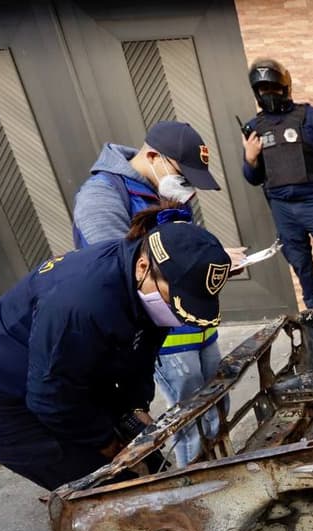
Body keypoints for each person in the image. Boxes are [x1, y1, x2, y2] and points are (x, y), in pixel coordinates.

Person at [0, 217, 232, 491]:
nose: (177, 315)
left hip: (68, 371)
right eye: (176, 300)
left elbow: (143, 350)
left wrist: (135, 407)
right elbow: (49, 396)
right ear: (143, 266)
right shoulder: (81, 304)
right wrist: (106, 442)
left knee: (149, 461)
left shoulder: (139, 276)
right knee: (108, 483)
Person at [72, 120, 227, 468]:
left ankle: (223, 466)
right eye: (184, 175)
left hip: (196, 319)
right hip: (162, 331)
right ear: (154, 156)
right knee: (186, 419)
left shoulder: (165, 188)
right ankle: (197, 484)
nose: (189, 189)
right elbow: (119, 272)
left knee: (216, 402)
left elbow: (182, 249)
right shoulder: (101, 198)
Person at [242, 57, 313, 309]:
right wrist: (250, 159)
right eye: (262, 90)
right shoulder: (253, 127)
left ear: (285, 88)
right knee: (303, 270)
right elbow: (254, 179)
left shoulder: (308, 116)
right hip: (282, 209)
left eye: (273, 88)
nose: (268, 94)